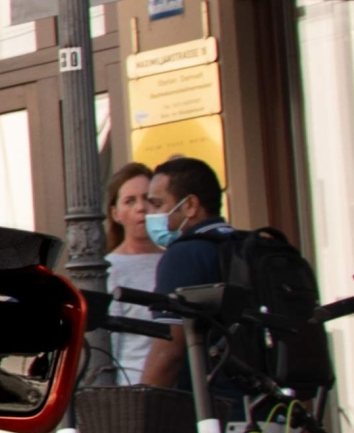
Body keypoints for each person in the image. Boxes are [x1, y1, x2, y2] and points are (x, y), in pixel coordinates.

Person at [136, 155, 247, 406]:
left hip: (219, 417)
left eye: (157, 204)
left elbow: (169, 351)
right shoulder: (245, 246)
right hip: (273, 415)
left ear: (190, 206)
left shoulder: (185, 254)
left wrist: (140, 414)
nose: (148, 214)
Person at [105, 163, 163, 383]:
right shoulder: (109, 268)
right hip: (131, 387)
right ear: (116, 213)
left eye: (148, 199)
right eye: (130, 201)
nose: (141, 208)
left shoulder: (173, 260)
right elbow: (110, 345)